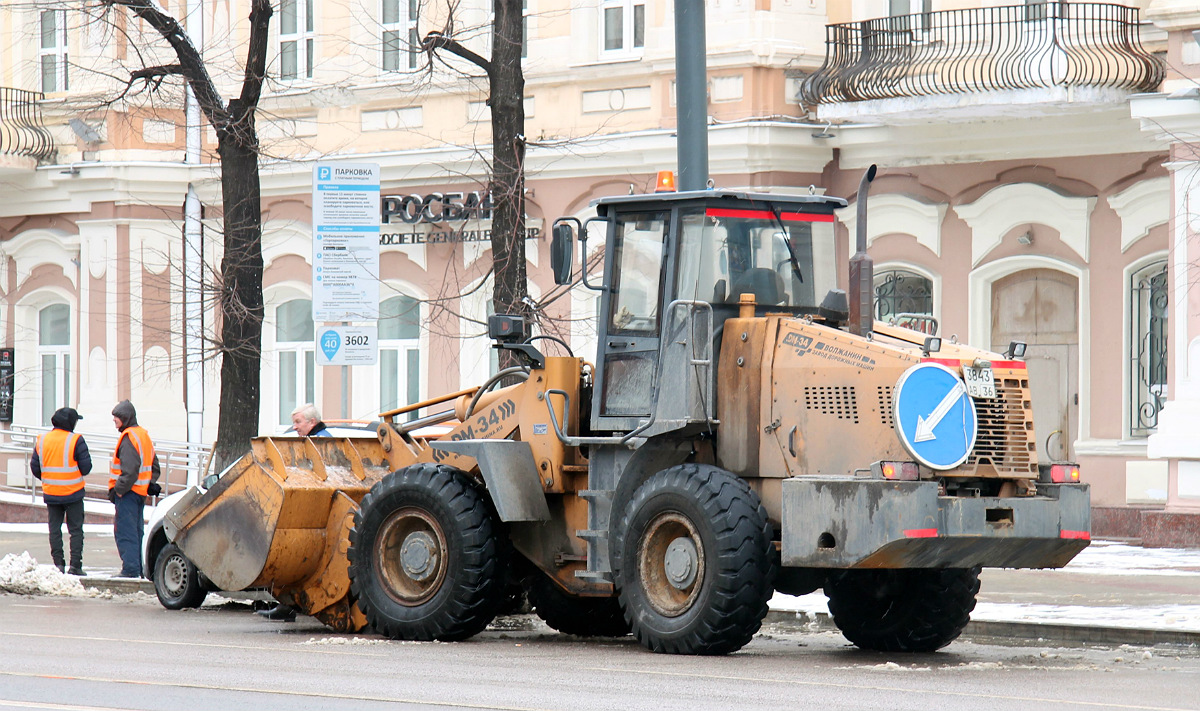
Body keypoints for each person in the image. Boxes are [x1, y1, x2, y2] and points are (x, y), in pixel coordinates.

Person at [256, 403, 332, 622]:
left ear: (312, 422)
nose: (295, 427)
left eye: (298, 422)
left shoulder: (318, 444)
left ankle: (289, 606)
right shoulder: (322, 440)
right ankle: (290, 605)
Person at [31, 407, 92, 575]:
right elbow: (86, 468)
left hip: (51, 493)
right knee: (76, 531)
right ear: (71, 422)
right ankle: (75, 566)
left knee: (55, 530)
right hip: (73, 492)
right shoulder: (76, 440)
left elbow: (35, 467)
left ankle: (58, 565)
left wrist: (49, 478)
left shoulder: (42, 440)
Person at [109, 400, 162, 578]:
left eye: (116, 418)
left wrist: (118, 489)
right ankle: (137, 568)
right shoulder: (143, 435)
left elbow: (130, 470)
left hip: (128, 494)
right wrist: (149, 483)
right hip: (139, 493)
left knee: (126, 532)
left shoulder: (129, 437)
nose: (114, 421)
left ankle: (130, 569)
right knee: (137, 532)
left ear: (125, 418)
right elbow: (154, 467)